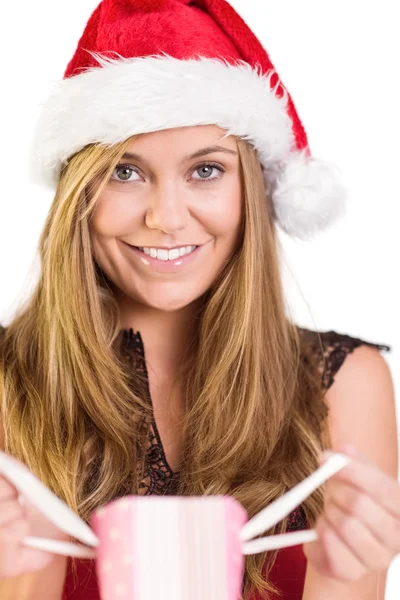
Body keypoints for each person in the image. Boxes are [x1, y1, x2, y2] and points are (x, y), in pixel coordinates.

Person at [0, 1, 399, 599]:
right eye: (125, 173)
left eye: (206, 171)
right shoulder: (8, 383)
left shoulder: (343, 386)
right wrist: (24, 578)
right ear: (78, 194)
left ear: (251, 192)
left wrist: (340, 578)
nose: (165, 218)